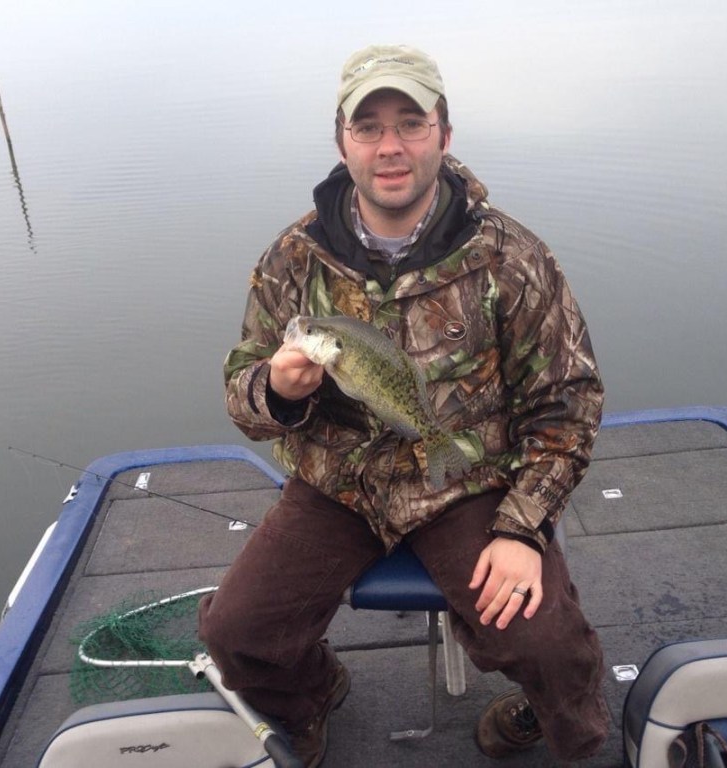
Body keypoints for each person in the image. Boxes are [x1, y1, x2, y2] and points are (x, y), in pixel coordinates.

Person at [199, 43, 609, 766]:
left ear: (443, 135)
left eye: (410, 123)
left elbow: (567, 404)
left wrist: (523, 527)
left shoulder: (511, 257)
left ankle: (559, 726)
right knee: (236, 633)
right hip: (338, 485)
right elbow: (242, 391)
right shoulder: (292, 260)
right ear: (343, 143)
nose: (389, 146)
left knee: (547, 642)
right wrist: (278, 392)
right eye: (368, 127)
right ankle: (311, 694)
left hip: (468, 482)